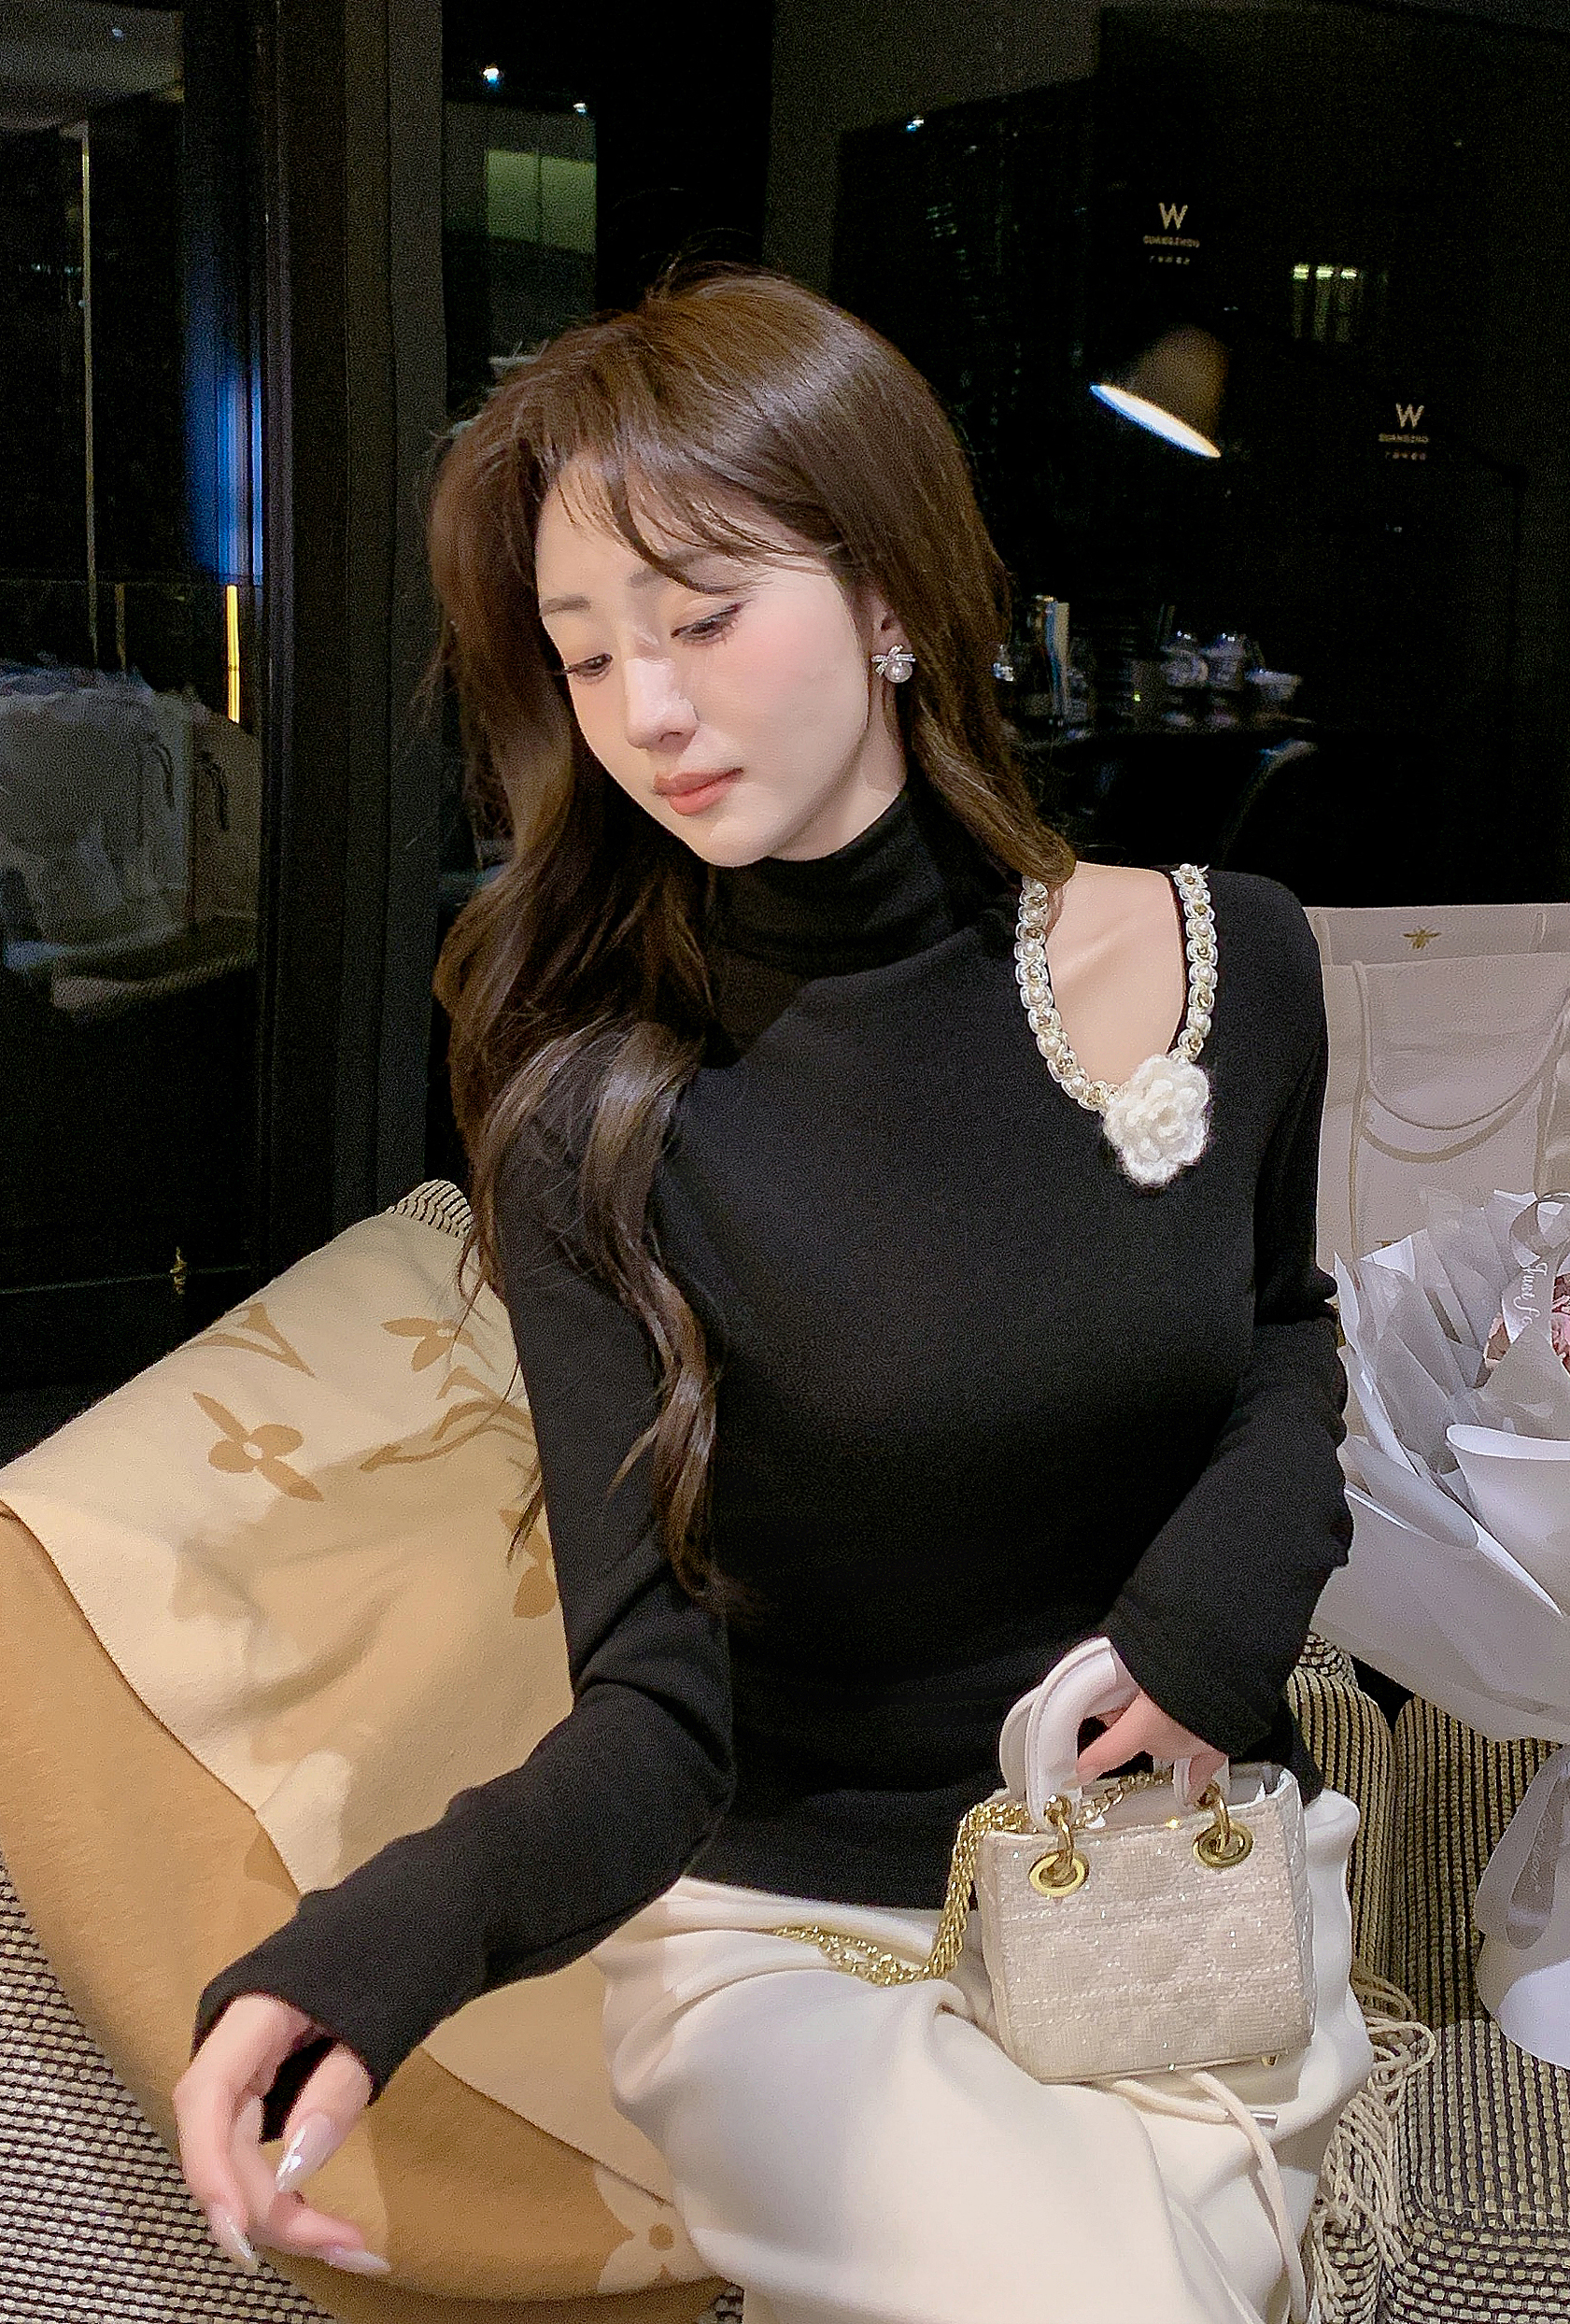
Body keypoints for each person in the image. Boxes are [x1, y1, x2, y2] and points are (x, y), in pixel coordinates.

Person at [171, 262, 1374, 2323]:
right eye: (585, 651)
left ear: (892, 595)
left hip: (1170, 1882)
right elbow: (657, 1707)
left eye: (704, 617)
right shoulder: (593, 1110)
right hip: (798, 1938)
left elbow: (1278, 1329)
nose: (644, 711)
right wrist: (379, 1944)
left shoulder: (1225, 957)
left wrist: (1217, 1608)